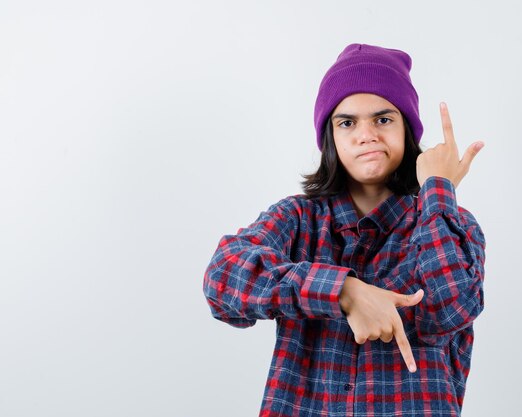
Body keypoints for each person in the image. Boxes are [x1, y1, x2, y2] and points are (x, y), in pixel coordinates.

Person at [203, 43, 487, 417]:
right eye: (347, 122)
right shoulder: (298, 218)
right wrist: (342, 292)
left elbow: (448, 310)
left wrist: (437, 187)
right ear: (330, 138)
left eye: (383, 119)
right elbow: (223, 279)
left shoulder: (449, 221)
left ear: (406, 128)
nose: (366, 134)